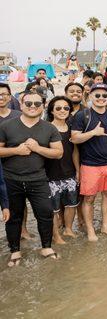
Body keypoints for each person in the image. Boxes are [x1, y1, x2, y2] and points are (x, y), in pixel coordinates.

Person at [0, 91, 63, 266]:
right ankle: (15, 251)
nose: (33, 107)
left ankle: (46, 247)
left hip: (38, 178)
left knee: (45, 214)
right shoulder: (6, 126)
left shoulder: (49, 128)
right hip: (11, 179)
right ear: (21, 105)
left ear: (43, 106)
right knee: (13, 217)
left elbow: (58, 153)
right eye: (29, 104)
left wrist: (37, 148)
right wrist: (15, 150)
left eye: (37, 103)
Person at [71, 83, 107, 241]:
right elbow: (74, 138)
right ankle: (90, 230)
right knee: (89, 198)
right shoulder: (82, 115)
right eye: (97, 95)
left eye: (104, 95)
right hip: (89, 164)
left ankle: (105, 226)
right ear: (90, 97)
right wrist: (93, 132)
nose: (101, 98)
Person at [45, 97, 79, 245]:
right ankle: (56, 235)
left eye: (66, 108)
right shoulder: (45, 128)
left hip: (69, 173)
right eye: (58, 108)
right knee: (53, 209)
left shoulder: (72, 130)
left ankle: (69, 229)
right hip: (50, 175)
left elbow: (75, 152)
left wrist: (78, 171)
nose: (62, 111)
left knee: (72, 204)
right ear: (52, 110)